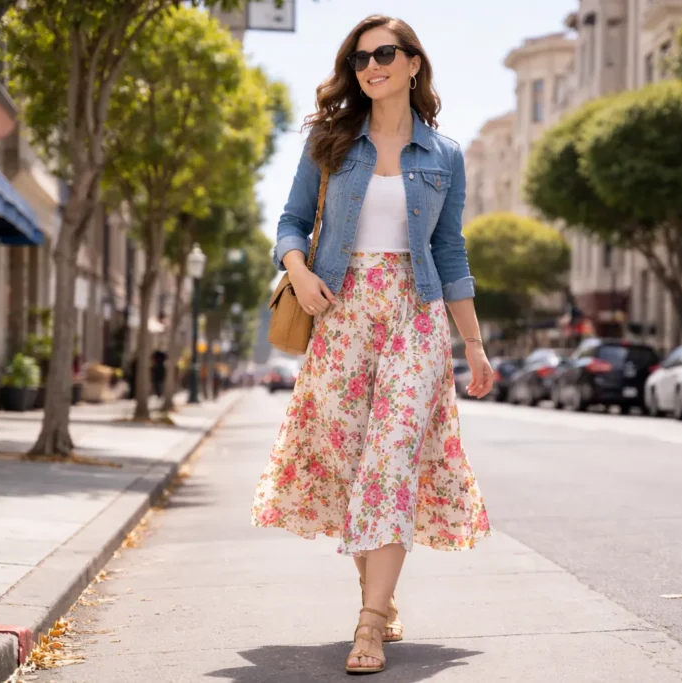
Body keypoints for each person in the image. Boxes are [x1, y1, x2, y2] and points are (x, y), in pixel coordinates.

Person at [251, 14, 493, 675]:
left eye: (385, 53)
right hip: (340, 311)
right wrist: (297, 272)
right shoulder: (330, 141)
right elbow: (292, 222)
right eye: (360, 58)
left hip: (415, 313)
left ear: (414, 63)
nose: (371, 65)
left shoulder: (443, 155)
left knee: (390, 461)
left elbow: (449, 248)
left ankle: (368, 625)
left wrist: (472, 342)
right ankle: (381, 600)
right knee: (357, 464)